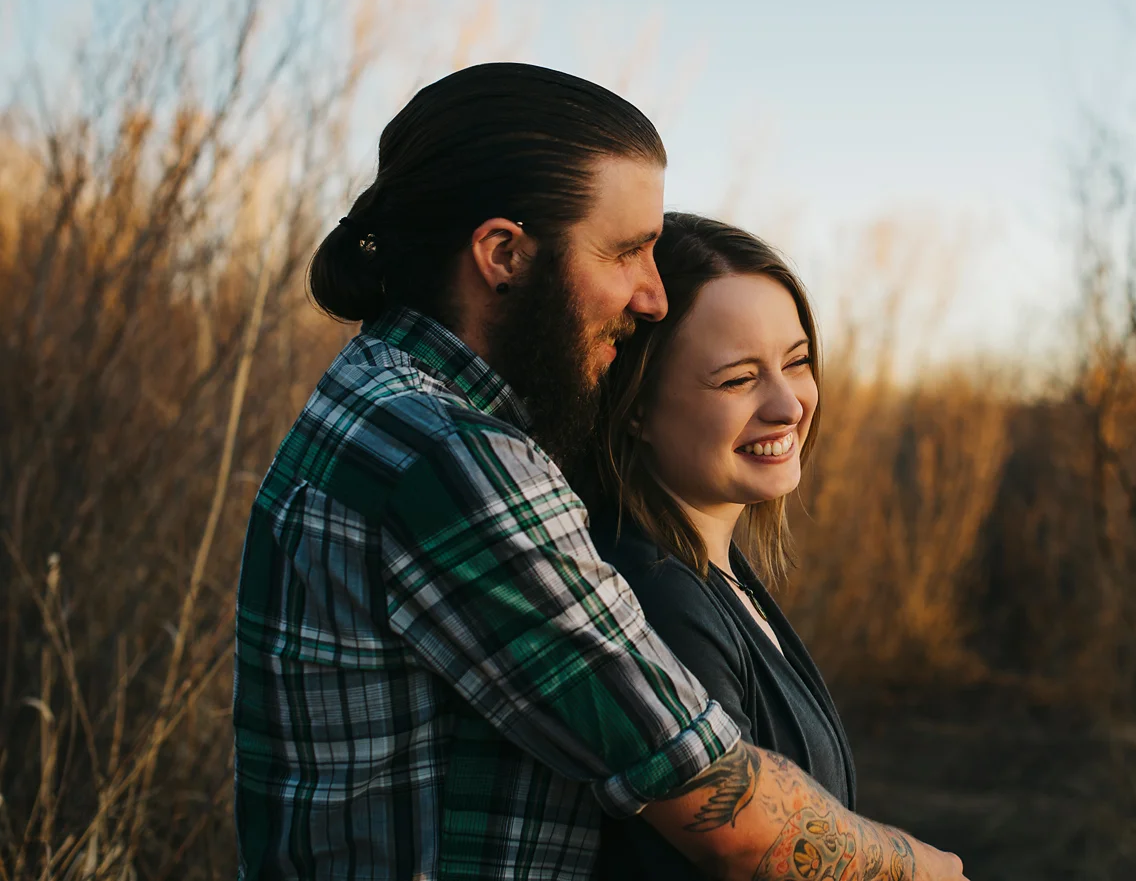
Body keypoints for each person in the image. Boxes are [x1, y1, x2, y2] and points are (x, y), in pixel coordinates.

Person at [232, 62, 966, 881]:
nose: (653, 297)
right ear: (503, 254)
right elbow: (714, 798)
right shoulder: (452, 456)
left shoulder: (382, 397)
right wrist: (928, 871)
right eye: (627, 253)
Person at [590, 213, 856, 880]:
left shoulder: (718, 569)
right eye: (739, 378)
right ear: (637, 409)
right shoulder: (655, 597)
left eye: (796, 362)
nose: (789, 404)